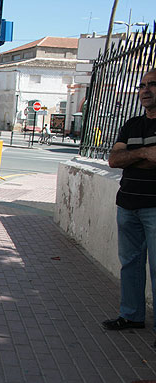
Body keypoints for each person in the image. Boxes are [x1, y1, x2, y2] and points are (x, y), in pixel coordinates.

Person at [101, 69, 156, 342]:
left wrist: (130, 157)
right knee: (130, 264)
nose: (145, 90)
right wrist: (145, 153)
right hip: (127, 204)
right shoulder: (132, 124)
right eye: (142, 85)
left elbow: (124, 158)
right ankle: (132, 315)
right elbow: (114, 160)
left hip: (154, 207)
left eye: (152, 84)